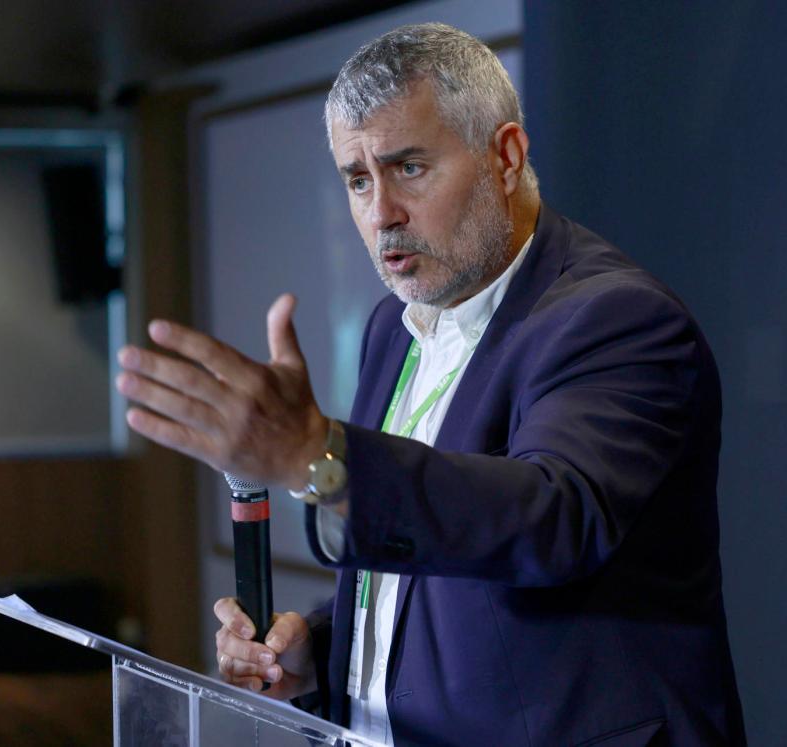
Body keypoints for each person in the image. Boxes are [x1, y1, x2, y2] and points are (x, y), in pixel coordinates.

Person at [117, 22, 745, 747]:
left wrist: (314, 454)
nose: (380, 212)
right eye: (358, 179)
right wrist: (317, 651)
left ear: (505, 157)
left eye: (408, 167)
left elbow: (549, 519)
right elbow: (431, 555)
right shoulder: (395, 325)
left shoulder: (616, 317)